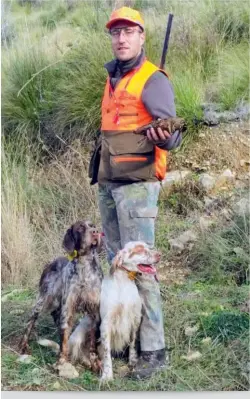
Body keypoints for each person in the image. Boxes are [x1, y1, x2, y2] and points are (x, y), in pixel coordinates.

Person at [90, 6, 182, 379]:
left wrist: (166, 136)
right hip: (110, 184)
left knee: (142, 270)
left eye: (129, 32)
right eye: (116, 33)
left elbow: (173, 134)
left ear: (142, 36)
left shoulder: (152, 78)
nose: (122, 38)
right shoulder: (112, 78)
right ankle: (123, 339)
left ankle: (153, 351)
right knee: (117, 268)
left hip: (139, 187)